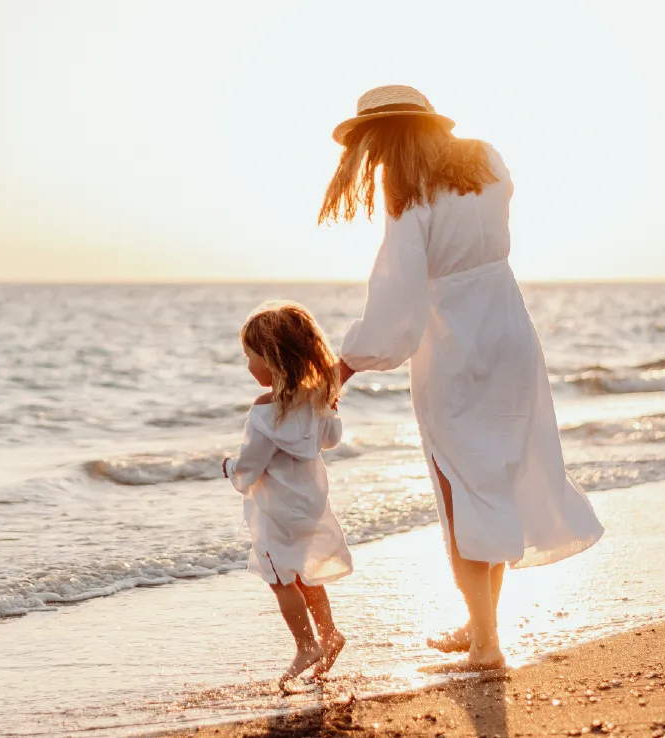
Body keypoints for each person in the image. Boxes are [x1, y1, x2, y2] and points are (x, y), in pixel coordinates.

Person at [321, 85, 604, 670]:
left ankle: (486, 644)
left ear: (386, 138)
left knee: (460, 490)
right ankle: (481, 628)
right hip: (509, 329)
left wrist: (346, 363)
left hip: (456, 346)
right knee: (492, 483)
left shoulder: (406, 192)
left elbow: (397, 299)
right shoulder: (487, 160)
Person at [222, 301, 352, 686]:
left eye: (251, 356)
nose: (249, 366)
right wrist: (329, 406)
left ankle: (306, 645)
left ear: (274, 358)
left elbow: (251, 466)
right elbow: (330, 439)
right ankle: (329, 635)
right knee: (306, 572)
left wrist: (229, 467)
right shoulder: (314, 403)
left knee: (280, 578)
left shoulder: (265, 413)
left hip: (277, 510)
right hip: (309, 503)